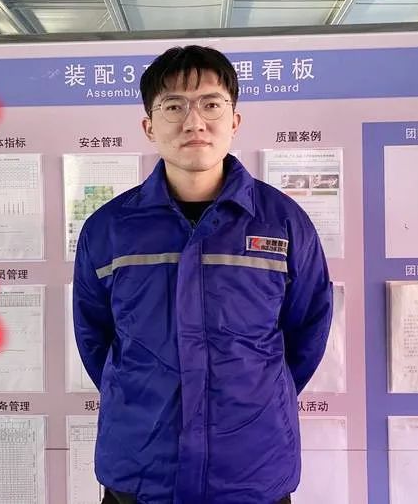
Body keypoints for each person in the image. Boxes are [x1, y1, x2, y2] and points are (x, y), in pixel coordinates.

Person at [73, 46, 332, 504]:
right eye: (174, 107)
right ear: (149, 127)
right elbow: (95, 339)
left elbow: (306, 333)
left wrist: (255, 399)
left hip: (252, 470)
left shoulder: (283, 223)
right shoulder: (110, 229)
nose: (194, 122)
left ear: (234, 120)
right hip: (141, 472)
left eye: (211, 104)